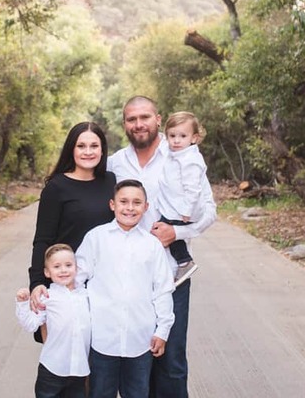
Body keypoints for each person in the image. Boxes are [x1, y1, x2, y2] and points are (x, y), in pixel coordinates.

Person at [107, 96, 217, 398]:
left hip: (171, 276)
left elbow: (209, 212)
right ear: (124, 124)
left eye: (145, 117)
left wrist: (177, 233)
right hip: (126, 276)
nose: (138, 124)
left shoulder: (182, 156)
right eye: (131, 119)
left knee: (170, 361)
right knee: (133, 360)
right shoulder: (115, 163)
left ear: (158, 119)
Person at [74, 179, 175, 398]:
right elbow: (75, 280)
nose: (130, 207)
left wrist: (163, 330)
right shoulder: (95, 238)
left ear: (146, 207)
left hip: (141, 340)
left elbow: (163, 290)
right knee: (99, 393)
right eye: (124, 201)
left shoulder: (152, 245)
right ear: (112, 204)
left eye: (137, 202)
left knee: (138, 393)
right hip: (102, 339)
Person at [29, 122, 116, 339]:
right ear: (72, 149)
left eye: (94, 146)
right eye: (81, 146)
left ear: (102, 150)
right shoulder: (56, 188)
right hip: (65, 282)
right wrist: (37, 282)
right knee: (64, 360)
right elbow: (43, 239)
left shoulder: (111, 182)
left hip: (103, 283)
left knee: (98, 358)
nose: (88, 152)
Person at [16, 244, 90, 398]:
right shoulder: (47, 297)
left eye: (68, 265)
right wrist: (23, 304)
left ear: (76, 268)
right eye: (57, 266)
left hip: (79, 369)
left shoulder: (85, 295)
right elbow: (30, 324)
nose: (63, 270)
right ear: (47, 272)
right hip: (52, 369)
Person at [157, 111, 209, 287]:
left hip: (183, 210)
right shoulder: (176, 152)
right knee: (164, 229)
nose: (176, 141)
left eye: (182, 136)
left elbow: (193, 190)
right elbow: (163, 141)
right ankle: (183, 261)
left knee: (164, 230)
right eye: (172, 136)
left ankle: (184, 262)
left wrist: (187, 211)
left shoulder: (190, 160)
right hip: (177, 207)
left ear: (194, 138)